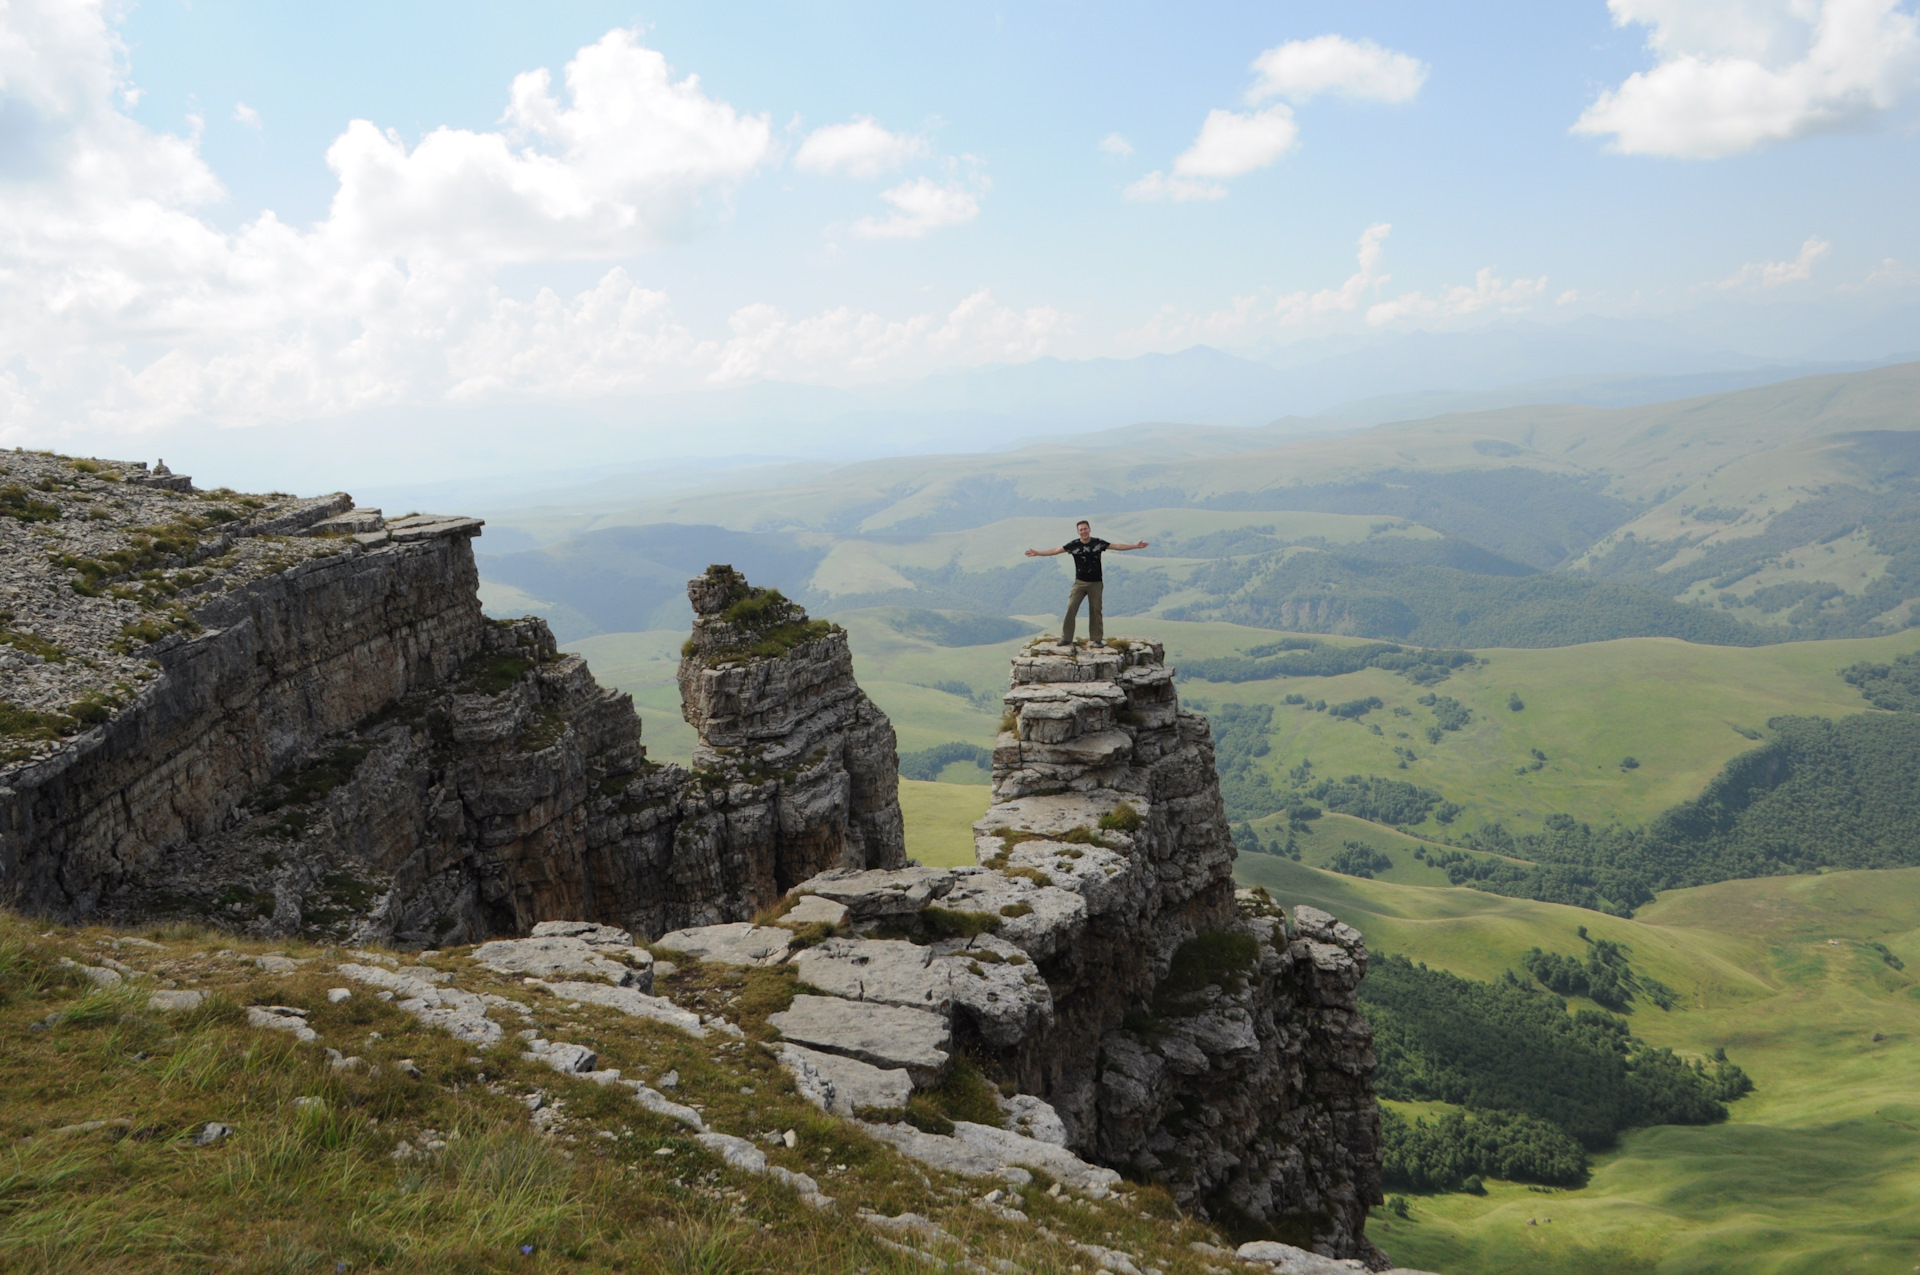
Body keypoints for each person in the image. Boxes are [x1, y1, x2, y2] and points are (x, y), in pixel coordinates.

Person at [1025, 520, 1149, 646]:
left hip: (1096, 583)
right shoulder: (1074, 545)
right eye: (1081, 530)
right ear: (1078, 532)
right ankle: (1066, 638)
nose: (1083, 531)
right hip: (1079, 583)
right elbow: (1056, 550)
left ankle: (1096, 639)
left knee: (1096, 610)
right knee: (1071, 608)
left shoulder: (1098, 543)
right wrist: (1038, 553)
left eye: (1085, 529)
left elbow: (1117, 546)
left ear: (1089, 529)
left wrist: (1135, 546)